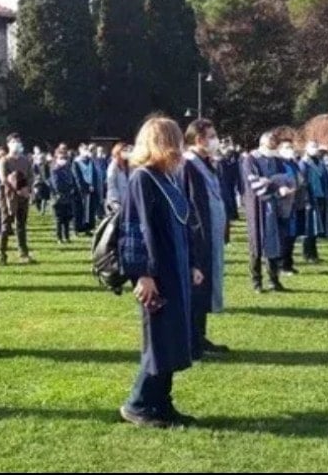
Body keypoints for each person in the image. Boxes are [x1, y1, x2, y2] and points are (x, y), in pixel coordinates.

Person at [118, 117, 202, 428]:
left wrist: (192, 264)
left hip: (175, 270)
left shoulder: (169, 178)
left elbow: (184, 225)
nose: (180, 148)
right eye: (176, 141)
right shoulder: (142, 178)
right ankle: (139, 404)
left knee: (172, 339)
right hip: (156, 274)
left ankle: (162, 403)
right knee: (159, 341)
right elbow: (133, 230)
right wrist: (141, 273)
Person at [181, 119, 230, 359]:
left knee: (206, 287)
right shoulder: (189, 165)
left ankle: (200, 336)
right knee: (197, 288)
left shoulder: (206, 163)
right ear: (199, 139)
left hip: (210, 236)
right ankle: (191, 343)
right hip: (198, 237)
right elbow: (191, 205)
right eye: (212, 135)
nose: (215, 140)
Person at [241, 132, 290, 294]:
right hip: (257, 205)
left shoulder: (276, 159)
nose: (273, 147)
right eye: (271, 144)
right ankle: (257, 281)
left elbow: (285, 177)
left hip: (274, 205)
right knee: (256, 243)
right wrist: (274, 184)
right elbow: (254, 181)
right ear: (262, 143)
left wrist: (278, 183)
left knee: (274, 242)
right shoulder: (250, 159)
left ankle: (274, 280)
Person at [0, 133, 34, 265]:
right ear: (8, 144)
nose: (16, 144)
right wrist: (17, 188)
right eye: (13, 141)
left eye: (18, 141)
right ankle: (2, 252)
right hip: (8, 195)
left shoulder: (26, 160)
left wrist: (27, 189)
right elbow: (3, 178)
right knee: (6, 224)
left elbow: (31, 176)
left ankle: (23, 252)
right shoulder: (4, 160)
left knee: (21, 224)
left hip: (23, 195)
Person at [299, 141, 328, 264]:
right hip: (309, 198)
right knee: (308, 227)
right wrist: (306, 199)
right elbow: (302, 183)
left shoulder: (319, 162)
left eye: (316, 147)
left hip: (320, 197)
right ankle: (307, 254)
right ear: (306, 149)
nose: (315, 150)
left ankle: (314, 254)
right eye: (312, 147)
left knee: (316, 228)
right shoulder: (303, 164)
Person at [275, 139, 304, 276]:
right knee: (284, 236)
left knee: (292, 234)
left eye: (291, 147)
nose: (290, 149)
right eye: (287, 147)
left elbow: (300, 180)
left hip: (295, 202)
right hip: (283, 203)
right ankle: (281, 265)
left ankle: (288, 263)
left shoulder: (293, 163)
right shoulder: (278, 164)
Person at [50, 148, 77, 244]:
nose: (63, 160)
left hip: (68, 197)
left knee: (67, 219)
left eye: (65, 157)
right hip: (58, 197)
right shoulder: (54, 170)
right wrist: (68, 188)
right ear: (56, 158)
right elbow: (56, 185)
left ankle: (67, 236)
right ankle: (59, 237)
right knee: (59, 219)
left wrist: (72, 188)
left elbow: (73, 181)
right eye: (61, 157)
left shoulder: (68, 169)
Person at [72, 144, 101, 235]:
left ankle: (88, 229)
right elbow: (77, 177)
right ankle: (77, 229)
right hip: (79, 190)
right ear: (80, 150)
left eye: (86, 149)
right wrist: (84, 187)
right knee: (79, 210)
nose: (86, 151)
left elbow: (94, 175)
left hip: (91, 189)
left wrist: (93, 185)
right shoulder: (76, 162)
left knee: (89, 210)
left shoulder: (90, 162)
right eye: (84, 149)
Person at [105, 141, 132, 212]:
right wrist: (115, 201)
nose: (127, 152)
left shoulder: (129, 166)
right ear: (118, 152)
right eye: (124, 150)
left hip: (128, 200)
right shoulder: (113, 166)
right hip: (117, 202)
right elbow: (111, 185)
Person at [31, 149, 52, 215]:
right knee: (38, 197)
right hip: (37, 183)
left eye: (43, 158)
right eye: (40, 158)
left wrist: (48, 180)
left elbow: (49, 173)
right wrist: (37, 177)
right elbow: (33, 173)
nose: (42, 159)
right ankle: (39, 208)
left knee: (44, 197)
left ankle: (43, 210)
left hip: (45, 182)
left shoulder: (47, 166)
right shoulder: (35, 166)